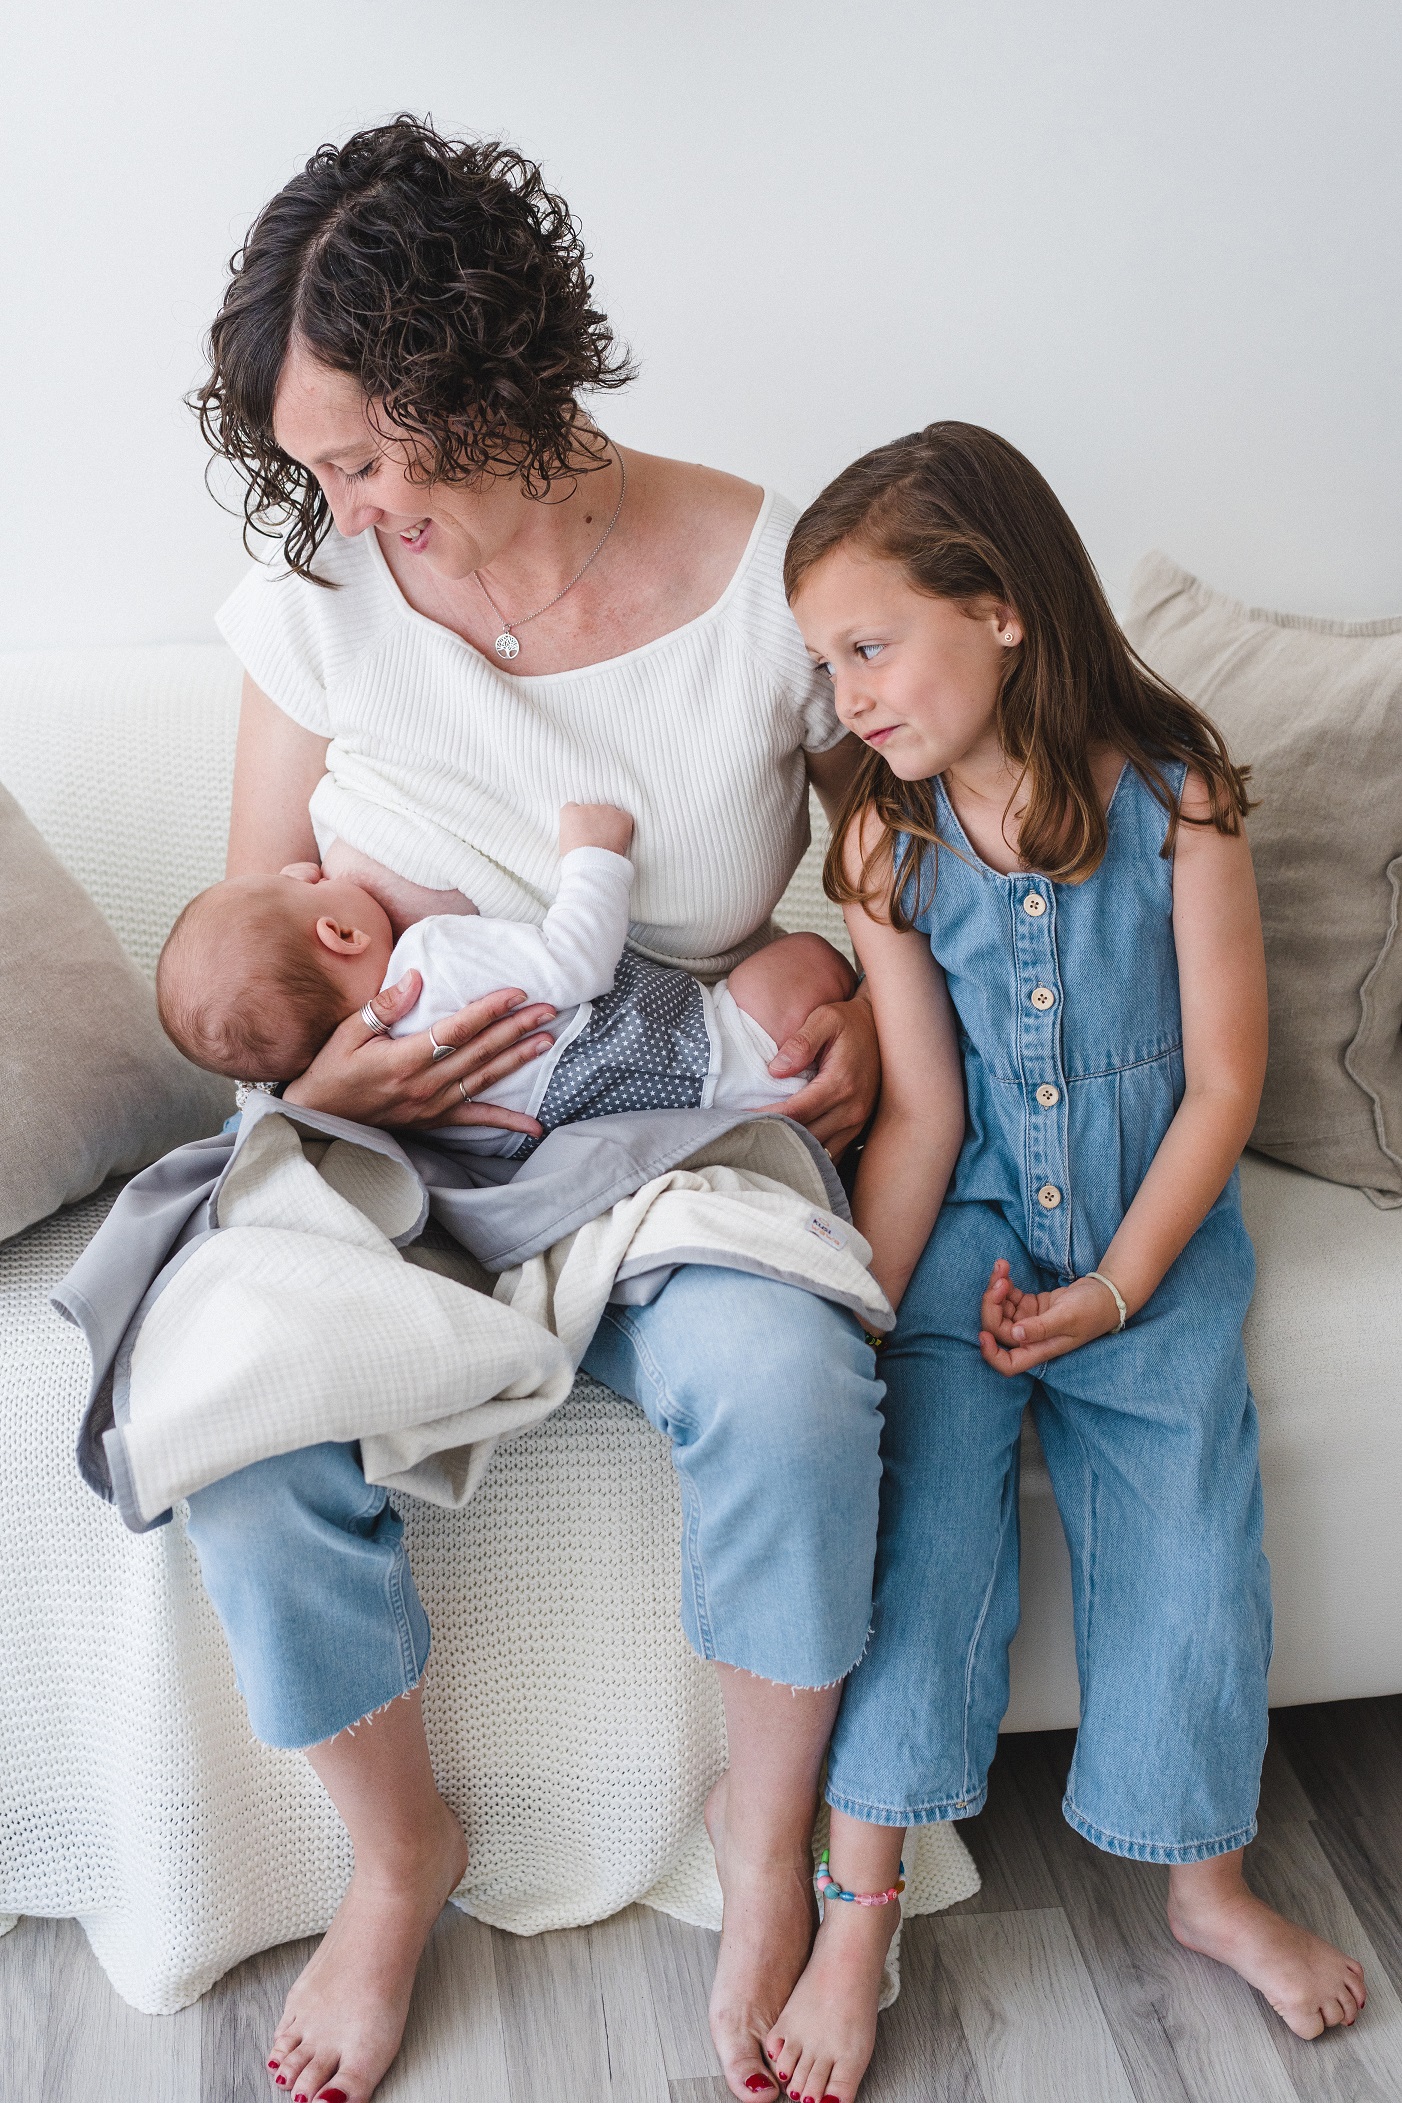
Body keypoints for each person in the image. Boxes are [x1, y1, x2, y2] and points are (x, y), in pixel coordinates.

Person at [189, 117, 881, 2103]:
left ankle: (763, 1857)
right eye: (318, 461)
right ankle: (397, 1855)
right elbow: (238, 920)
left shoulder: (773, 578)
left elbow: (884, 891)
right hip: (387, 1131)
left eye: (376, 451)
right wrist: (325, 1074)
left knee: (787, 1388)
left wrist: (820, 980)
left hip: (662, 1129)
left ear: (501, 374)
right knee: (237, 1416)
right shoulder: (324, 587)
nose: (351, 501)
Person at [764, 422, 1366, 2103]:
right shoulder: (889, 844)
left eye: (870, 644)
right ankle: (854, 1904)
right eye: (826, 662)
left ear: (1003, 605)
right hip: (968, 1237)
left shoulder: (1178, 795)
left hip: (1147, 1232)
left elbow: (1224, 1080)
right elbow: (926, 1112)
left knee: (1189, 1528)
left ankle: (1209, 1885)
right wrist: (869, 1310)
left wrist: (1116, 1285)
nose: (850, 693)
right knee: (928, 1530)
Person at [156, 799, 854, 1140]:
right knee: (813, 959)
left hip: (675, 1138)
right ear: (337, 933)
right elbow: (574, 960)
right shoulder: (429, 958)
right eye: (302, 883)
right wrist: (594, 858)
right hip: (729, 1053)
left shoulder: (388, 1106)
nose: (307, 865)